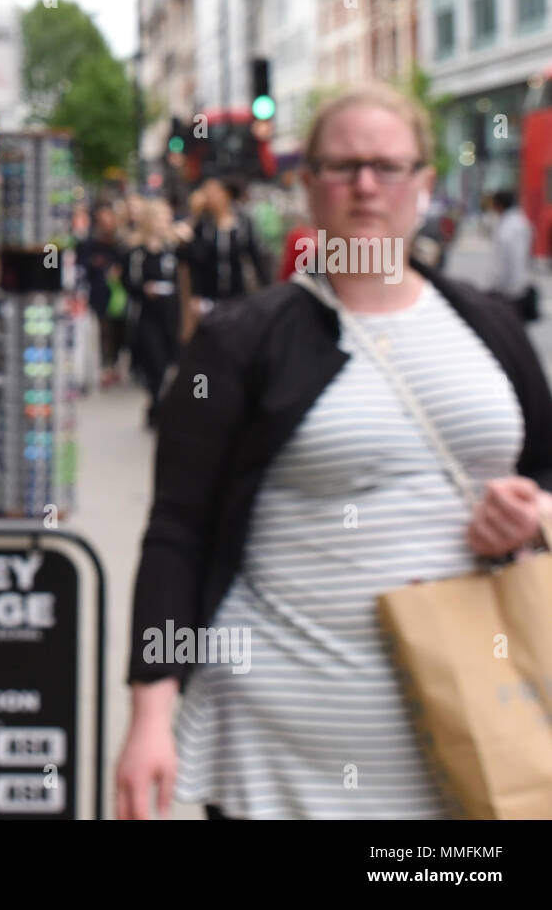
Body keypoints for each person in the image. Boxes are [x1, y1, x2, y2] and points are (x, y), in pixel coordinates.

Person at [115, 83, 552, 820]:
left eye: (387, 165)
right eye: (343, 166)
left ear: (424, 182)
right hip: (280, 751)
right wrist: (150, 713)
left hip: (474, 736)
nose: (366, 185)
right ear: (308, 183)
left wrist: (537, 512)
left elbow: (544, 466)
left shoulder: (491, 328)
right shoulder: (240, 342)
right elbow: (177, 533)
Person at [177, 176, 269, 342]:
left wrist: (266, 291)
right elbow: (193, 262)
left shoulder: (242, 223)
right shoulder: (203, 225)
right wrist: (195, 295)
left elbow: (256, 258)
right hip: (210, 296)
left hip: (238, 294)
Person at [123, 198, 181, 428]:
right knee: (154, 361)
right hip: (147, 315)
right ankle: (156, 405)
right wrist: (143, 289)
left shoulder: (173, 249)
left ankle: (164, 404)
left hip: (171, 313)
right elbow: (127, 281)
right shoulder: (136, 252)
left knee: (171, 362)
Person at [76, 203, 128, 387]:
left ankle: (113, 366)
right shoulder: (89, 244)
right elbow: (83, 265)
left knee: (117, 331)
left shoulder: (120, 244)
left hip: (116, 295)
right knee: (101, 330)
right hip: (98, 294)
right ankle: (104, 368)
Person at [490, 190, 537, 321]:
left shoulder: (506, 228)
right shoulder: (522, 222)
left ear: (499, 205)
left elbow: (502, 261)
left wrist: (496, 285)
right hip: (522, 284)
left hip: (508, 290)